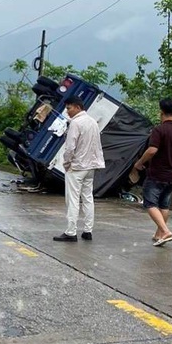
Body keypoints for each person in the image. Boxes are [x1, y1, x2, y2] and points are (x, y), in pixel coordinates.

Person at [134, 98, 172, 247]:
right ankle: (159, 233)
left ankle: (165, 231)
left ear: (161, 112)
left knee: (150, 203)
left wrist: (140, 162)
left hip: (157, 173)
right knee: (164, 205)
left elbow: (152, 150)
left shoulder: (159, 130)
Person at [53, 96, 105, 242]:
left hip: (77, 166)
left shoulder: (76, 123)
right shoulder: (93, 122)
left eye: (69, 108)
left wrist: (66, 163)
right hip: (91, 165)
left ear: (77, 107)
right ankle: (88, 230)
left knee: (73, 199)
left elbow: (70, 147)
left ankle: (71, 232)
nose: (67, 112)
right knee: (88, 197)